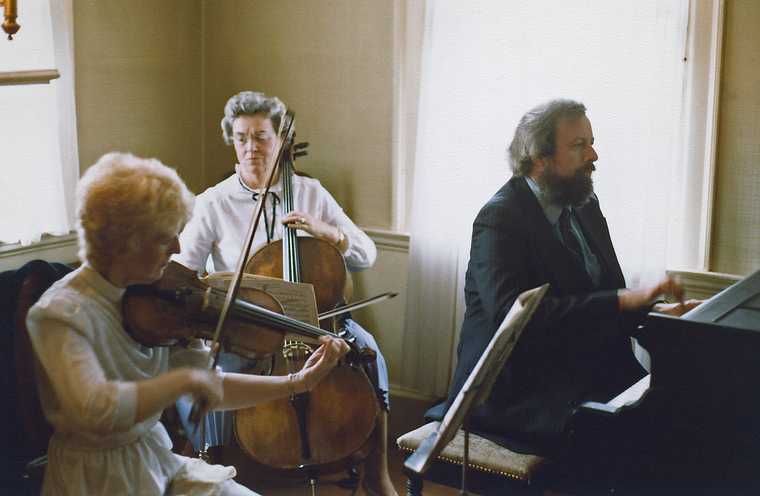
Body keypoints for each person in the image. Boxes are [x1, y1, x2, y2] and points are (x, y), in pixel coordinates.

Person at [27, 152, 349, 495]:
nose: (179, 247)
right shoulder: (59, 314)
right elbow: (98, 410)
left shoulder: (165, 301)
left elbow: (211, 387)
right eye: (167, 237)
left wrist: (296, 382)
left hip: (156, 459)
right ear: (126, 241)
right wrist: (182, 381)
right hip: (95, 479)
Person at [426, 99, 700, 478]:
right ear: (540, 157)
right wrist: (625, 301)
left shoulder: (584, 205)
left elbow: (607, 295)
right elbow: (515, 317)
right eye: (579, 145)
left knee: (684, 419)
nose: (594, 154)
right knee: (638, 444)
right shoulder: (499, 219)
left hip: (582, 368)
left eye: (592, 142)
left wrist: (660, 313)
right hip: (518, 390)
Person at [173, 91, 397, 496]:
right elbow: (185, 275)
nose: (250, 148)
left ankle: (377, 474)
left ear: (281, 141)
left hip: (315, 323)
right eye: (241, 138)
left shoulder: (310, 193)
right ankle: (218, 463)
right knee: (217, 365)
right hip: (248, 328)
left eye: (261, 137)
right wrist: (216, 285)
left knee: (368, 351)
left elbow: (366, 254)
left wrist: (328, 233)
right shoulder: (213, 203)